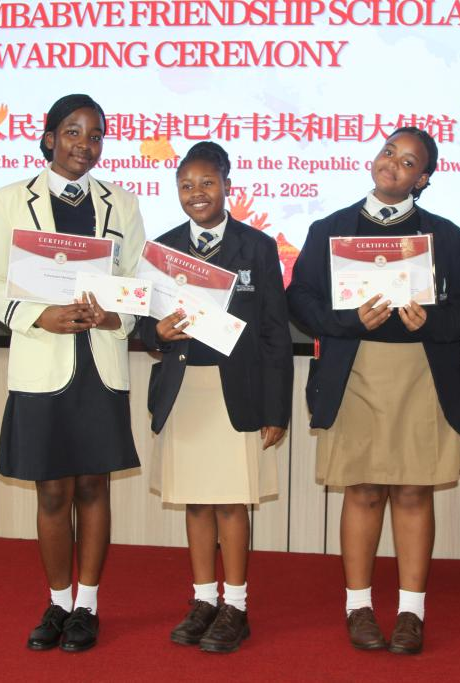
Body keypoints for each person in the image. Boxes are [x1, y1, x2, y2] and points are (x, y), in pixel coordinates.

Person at [286, 127, 460, 654]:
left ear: (424, 179)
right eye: (388, 151)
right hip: (355, 372)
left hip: (422, 373)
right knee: (364, 490)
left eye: (409, 161)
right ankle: (359, 607)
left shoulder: (447, 236)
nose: (393, 162)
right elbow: (299, 298)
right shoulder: (331, 228)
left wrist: (433, 320)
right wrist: (344, 320)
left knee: (415, 491)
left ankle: (412, 612)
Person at [0, 94, 145, 653]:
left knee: (93, 486)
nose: (84, 145)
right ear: (49, 138)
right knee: (51, 492)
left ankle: (87, 606)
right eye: (73, 132)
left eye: (95, 135)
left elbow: (139, 286)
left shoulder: (122, 203)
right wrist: (37, 316)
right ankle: (58, 602)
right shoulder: (9, 200)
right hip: (42, 364)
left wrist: (117, 317)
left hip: (100, 365)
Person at [139, 141, 293, 654]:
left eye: (207, 183)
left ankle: (236, 607)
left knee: (231, 501)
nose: (196, 193)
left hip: (237, 392)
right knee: (196, 501)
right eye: (186, 185)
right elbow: (142, 325)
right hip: (185, 391)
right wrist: (157, 332)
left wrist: (277, 408)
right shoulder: (162, 250)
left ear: (227, 185)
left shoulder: (257, 247)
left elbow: (275, 333)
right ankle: (204, 600)